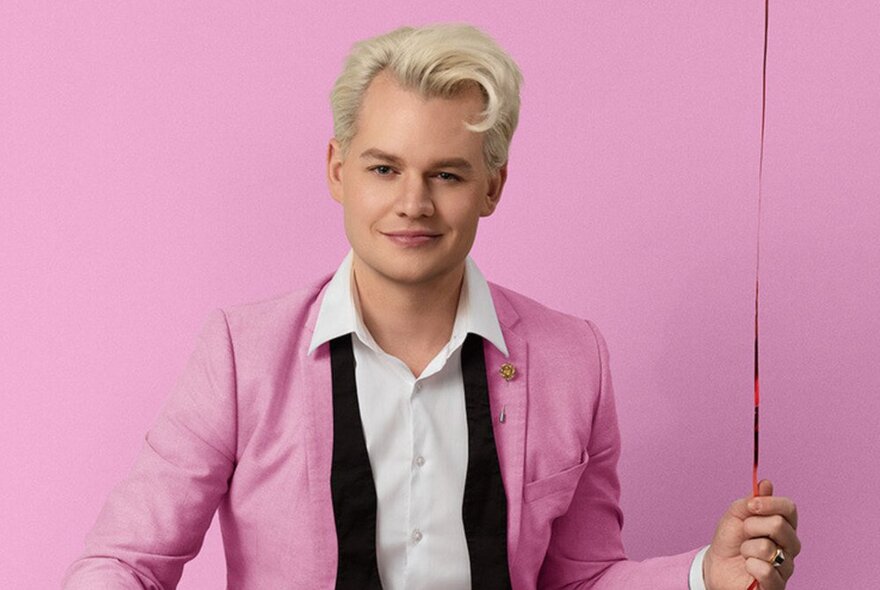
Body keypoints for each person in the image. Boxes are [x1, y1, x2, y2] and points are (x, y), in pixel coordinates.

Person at [63, 23, 800, 590]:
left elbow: (581, 578)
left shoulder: (575, 360)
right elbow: (123, 561)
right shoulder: (240, 353)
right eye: (385, 168)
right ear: (338, 170)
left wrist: (708, 573)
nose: (412, 204)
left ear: (491, 187)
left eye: (446, 174)